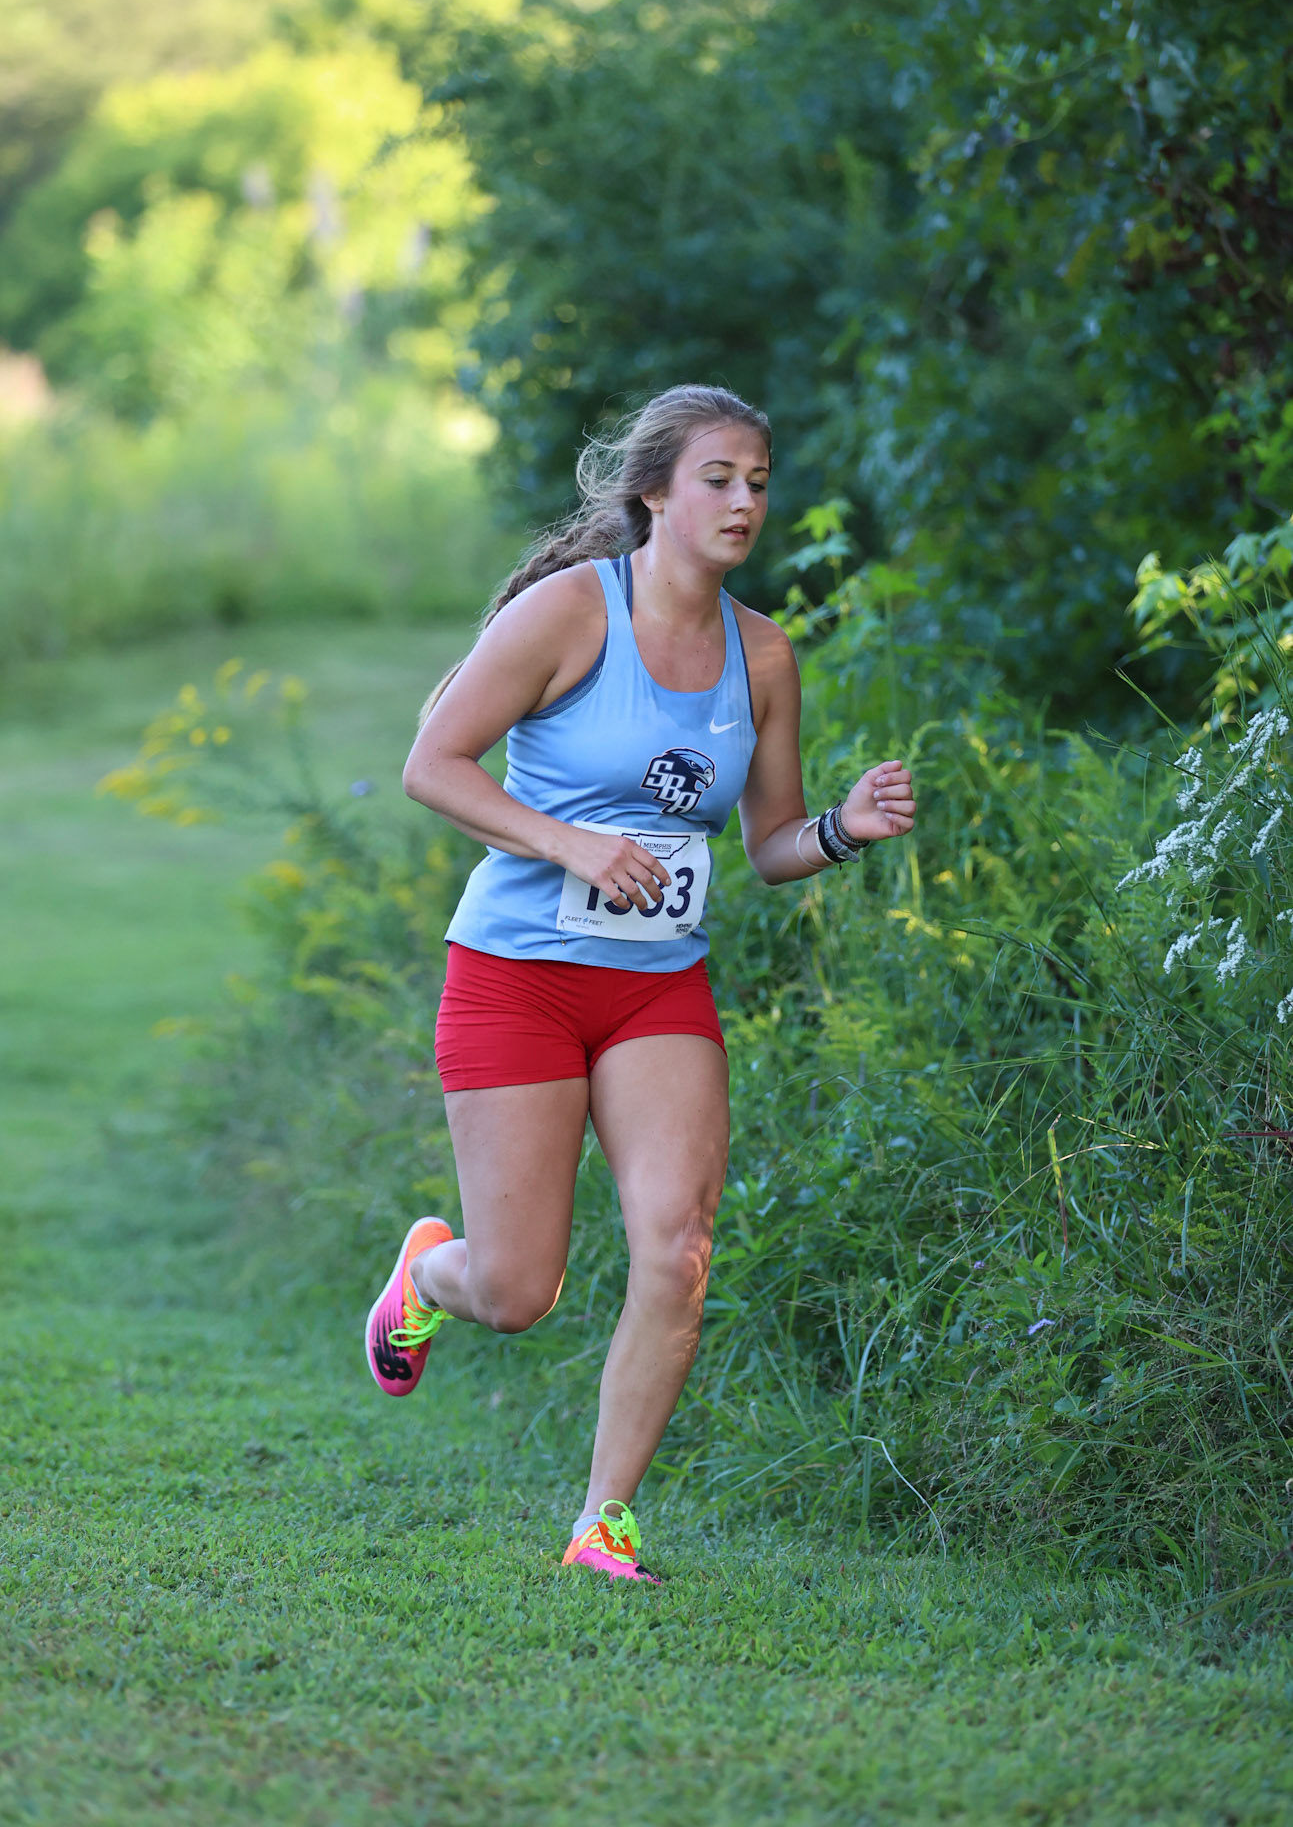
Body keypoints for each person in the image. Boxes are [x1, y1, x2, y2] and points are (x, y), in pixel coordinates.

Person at [365, 384, 916, 1581]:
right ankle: (427, 1274)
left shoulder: (762, 653)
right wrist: (569, 842)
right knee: (519, 1290)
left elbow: (768, 846)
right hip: (517, 975)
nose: (744, 502)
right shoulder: (571, 613)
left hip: (657, 989)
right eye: (719, 478)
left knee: (678, 1248)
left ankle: (602, 1522)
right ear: (657, 492)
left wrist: (844, 827)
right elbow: (431, 765)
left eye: (760, 481)